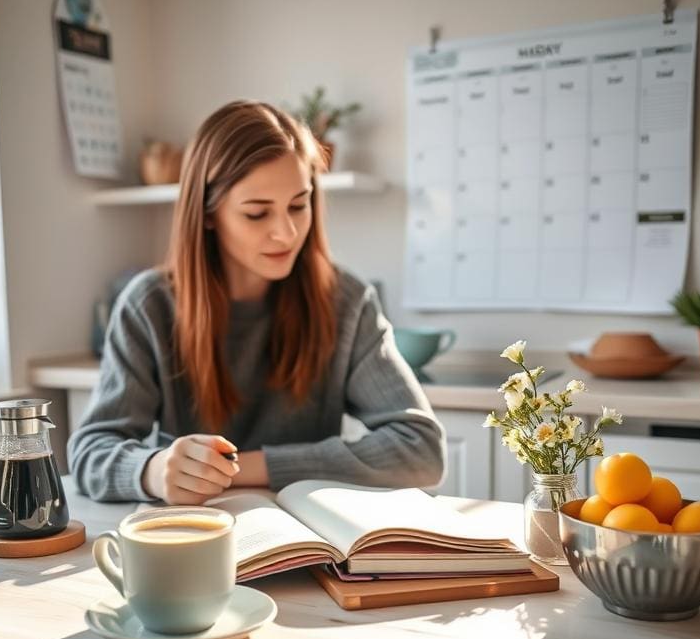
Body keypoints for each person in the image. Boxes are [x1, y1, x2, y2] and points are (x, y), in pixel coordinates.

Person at [68, 100, 446, 504]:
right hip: (194, 537)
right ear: (208, 213)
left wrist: (241, 469)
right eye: (256, 214)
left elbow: (421, 451)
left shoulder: (346, 302)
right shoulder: (150, 306)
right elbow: (91, 452)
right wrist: (154, 470)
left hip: (310, 543)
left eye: (298, 206)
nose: (286, 233)